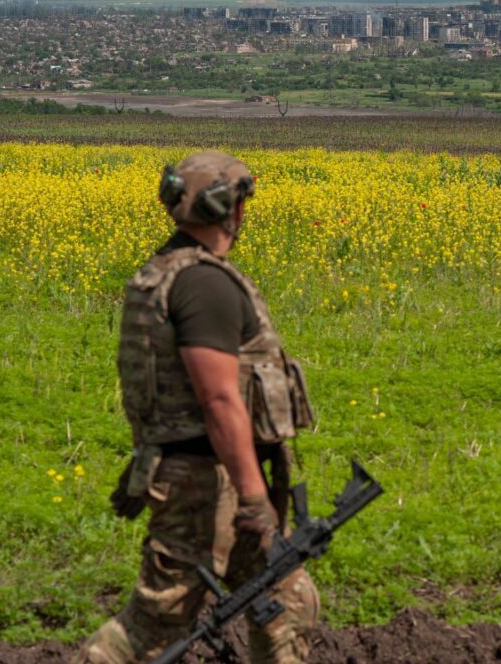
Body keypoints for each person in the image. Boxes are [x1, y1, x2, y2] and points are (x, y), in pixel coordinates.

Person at [74, 150, 318, 664]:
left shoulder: (163, 273)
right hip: (208, 487)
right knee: (151, 630)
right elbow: (219, 398)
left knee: (287, 602)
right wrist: (255, 503)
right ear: (233, 210)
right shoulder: (203, 284)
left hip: (203, 474)